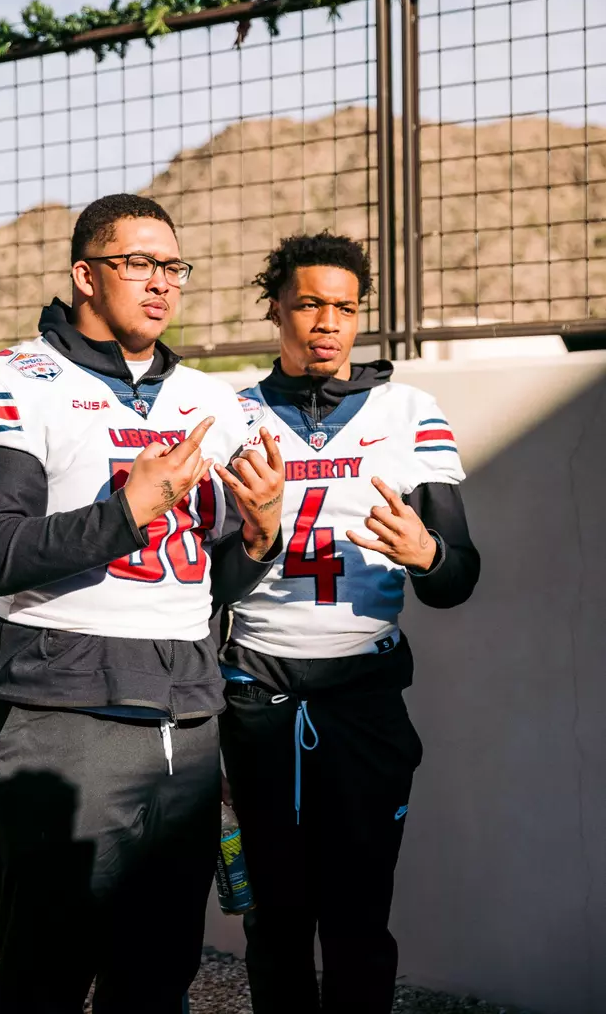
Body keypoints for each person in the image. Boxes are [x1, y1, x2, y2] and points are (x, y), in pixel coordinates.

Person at [0, 194, 285, 1014]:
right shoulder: (10, 380)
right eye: (137, 262)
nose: (161, 283)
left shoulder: (214, 401)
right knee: (49, 971)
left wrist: (260, 538)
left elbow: (203, 586)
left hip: (187, 717)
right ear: (84, 274)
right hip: (67, 712)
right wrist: (128, 511)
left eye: (173, 266)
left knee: (160, 972)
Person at [218, 232, 480, 1014]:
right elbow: (205, 582)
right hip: (258, 698)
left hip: (362, 698)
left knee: (360, 917)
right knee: (276, 919)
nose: (327, 323)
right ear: (276, 309)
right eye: (308, 304)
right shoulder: (229, 414)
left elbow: (456, 578)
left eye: (344, 307)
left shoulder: (409, 411)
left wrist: (426, 552)